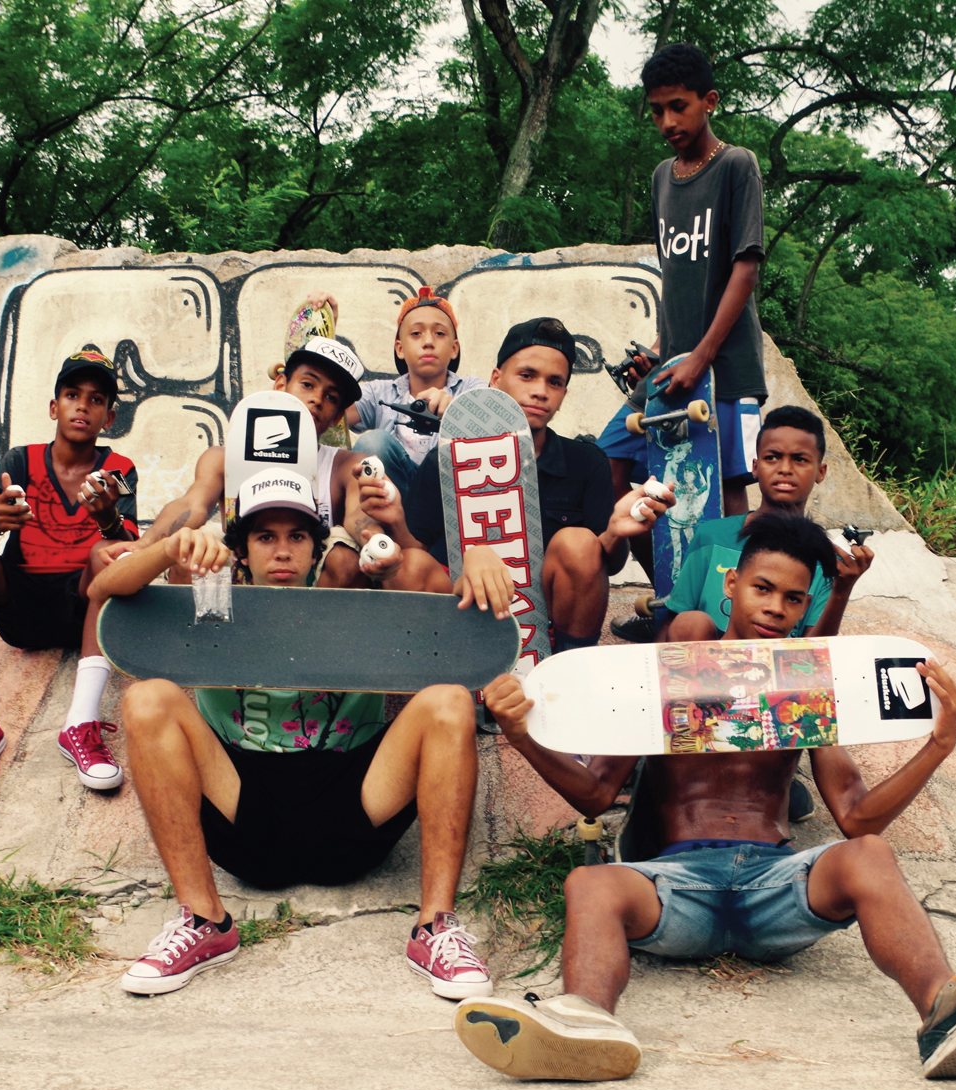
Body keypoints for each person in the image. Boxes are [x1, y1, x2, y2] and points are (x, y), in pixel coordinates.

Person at [458, 514, 956, 1082]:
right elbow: (593, 794)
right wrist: (519, 734)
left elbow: (855, 818)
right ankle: (582, 1021)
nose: (776, 608)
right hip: (676, 885)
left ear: (808, 606)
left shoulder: (806, 685)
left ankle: (945, 1007)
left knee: (870, 853)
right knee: (591, 884)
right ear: (732, 583)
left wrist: (937, 746)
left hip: (776, 885)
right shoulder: (666, 675)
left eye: (794, 599)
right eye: (763, 589)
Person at [89, 467, 491, 998]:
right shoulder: (209, 602)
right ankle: (205, 922)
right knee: (146, 699)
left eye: (297, 536)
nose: (282, 551)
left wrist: (479, 558)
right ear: (241, 549)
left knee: (449, 703)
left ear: (316, 548)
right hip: (245, 810)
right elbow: (102, 589)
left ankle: (436, 927)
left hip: (355, 807)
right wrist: (168, 549)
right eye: (265, 537)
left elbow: (443, 601)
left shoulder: (359, 602)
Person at [369, 317, 673, 654]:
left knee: (579, 542)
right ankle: (447, 674)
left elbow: (606, 566)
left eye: (554, 382)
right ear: (496, 380)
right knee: (408, 564)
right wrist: (398, 520)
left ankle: (567, 671)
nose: (540, 391)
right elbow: (417, 555)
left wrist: (615, 533)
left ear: (563, 394)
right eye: (527, 375)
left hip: (545, 624)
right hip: (461, 610)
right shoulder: (447, 456)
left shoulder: (586, 461)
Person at [595, 41, 770, 579]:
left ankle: (725, 616)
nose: (667, 120)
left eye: (679, 106)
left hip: (727, 368)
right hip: (675, 368)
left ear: (709, 101)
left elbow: (745, 268)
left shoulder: (737, 165)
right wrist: (659, 352)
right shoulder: (661, 178)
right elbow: (680, 280)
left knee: (728, 487)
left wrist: (700, 357)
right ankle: (671, 595)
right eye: (656, 110)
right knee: (610, 458)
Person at [0, 345, 138, 801]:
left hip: (83, 608)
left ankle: (81, 723)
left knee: (110, 554)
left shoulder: (118, 468)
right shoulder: (21, 460)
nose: (83, 406)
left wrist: (108, 518)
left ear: (108, 417)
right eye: (73, 395)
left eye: (96, 400)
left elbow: (127, 546)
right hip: (23, 608)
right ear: (55, 407)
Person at [133, 334, 411, 589]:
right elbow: (191, 505)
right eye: (307, 384)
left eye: (330, 397)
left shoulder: (347, 465)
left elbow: (358, 517)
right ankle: (198, 643)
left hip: (311, 585)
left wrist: (376, 542)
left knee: (346, 558)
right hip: (243, 573)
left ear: (338, 416)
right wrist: (145, 544)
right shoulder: (223, 458)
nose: (316, 399)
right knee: (191, 556)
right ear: (280, 385)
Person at [655, 404, 873, 643]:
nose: (785, 469)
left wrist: (841, 593)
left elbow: (815, 654)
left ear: (820, 472)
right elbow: (674, 625)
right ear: (755, 467)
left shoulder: (824, 559)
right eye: (772, 458)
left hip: (779, 672)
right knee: (691, 623)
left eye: (800, 459)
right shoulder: (711, 537)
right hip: (706, 669)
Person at [346, 287, 486, 492]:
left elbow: (499, 424)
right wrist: (320, 325)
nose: (428, 342)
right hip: (393, 498)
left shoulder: (471, 389)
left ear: (454, 348)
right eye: (416, 333)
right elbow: (332, 412)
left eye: (439, 333)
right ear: (400, 348)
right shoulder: (379, 393)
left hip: (448, 501)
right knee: (373, 443)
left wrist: (456, 412)